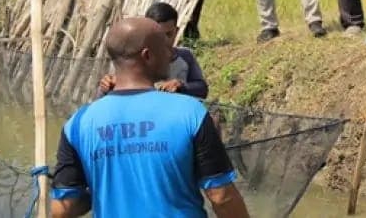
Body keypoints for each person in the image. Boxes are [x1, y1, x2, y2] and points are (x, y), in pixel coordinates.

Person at [50, 17, 249, 218]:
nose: (170, 53)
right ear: (147, 55)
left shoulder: (79, 123)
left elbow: (61, 209)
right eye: (164, 47)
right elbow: (222, 197)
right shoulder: (191, 113)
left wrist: (103, 188)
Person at [97, 2, 208, 99]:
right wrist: (106, 87)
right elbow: (109, 91)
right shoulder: (134, 59)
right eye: (158, 35)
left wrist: (181, 86)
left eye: (169, 34)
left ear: (177, 31)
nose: (164, 41)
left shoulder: (185, 56)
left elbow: (202, 89)